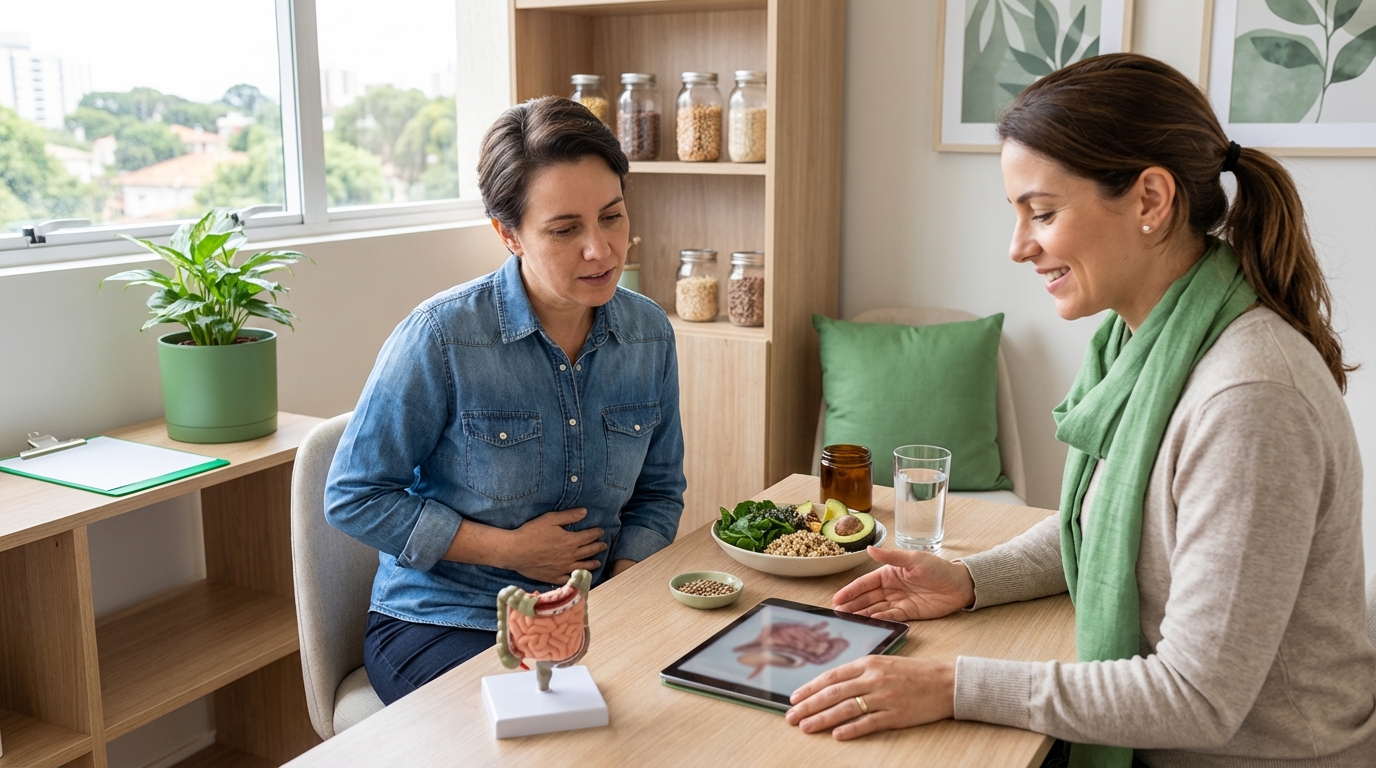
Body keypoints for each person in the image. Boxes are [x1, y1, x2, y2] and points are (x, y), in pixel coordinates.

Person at [786, 54, 1376, 766]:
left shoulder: (1248, 400)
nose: (1017, 247)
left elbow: (1198, 696)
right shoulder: (1142, 348)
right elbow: (1101, 529)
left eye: (1042, 213)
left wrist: (948, 684)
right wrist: (971, 580)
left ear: (1151, 201)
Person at [325, 97, 685, 705]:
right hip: (444, 619)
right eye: (565, 229)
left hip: (586, 616)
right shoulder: (442, 336)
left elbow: (658, 492)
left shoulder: (649, 333)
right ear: (508, 234)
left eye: (613, 216)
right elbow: (354, 497)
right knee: (556, 737)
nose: (600, 249)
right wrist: (510, 549)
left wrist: (623, 596)